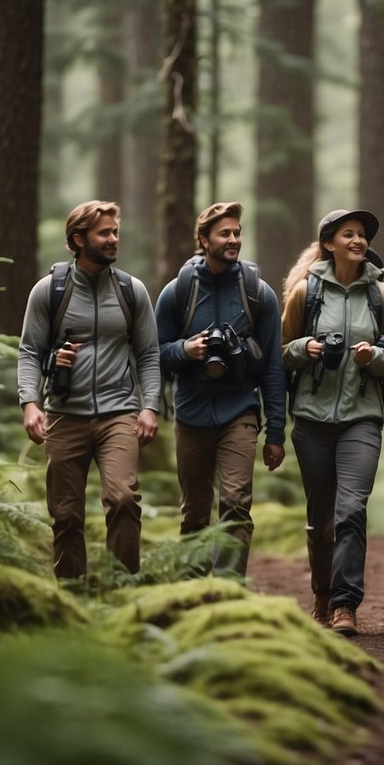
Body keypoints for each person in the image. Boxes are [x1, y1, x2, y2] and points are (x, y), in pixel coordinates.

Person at [280, 209, 384, 636]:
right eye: (348, 234)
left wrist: (372, 357)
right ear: (329, 243)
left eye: (362, 235)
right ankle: (321, 594)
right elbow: (280, 353)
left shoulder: (383, 296)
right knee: (321, 518)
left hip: (362, 417)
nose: (357, 240)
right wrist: (307, 347)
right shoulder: (305, 293)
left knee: (351, 509)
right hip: (311, 418)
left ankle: (344, 605)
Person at [17, 200, 161, 580]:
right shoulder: (49, 291)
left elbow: (148, 353)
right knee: (65, 514)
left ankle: (122, 589)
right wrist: (30, 403)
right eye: (105, 234)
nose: (114, 239)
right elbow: (30, 350)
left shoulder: (133, 291)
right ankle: (72, 595)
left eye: (115, 232)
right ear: (78, 239)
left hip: (119, 413)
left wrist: (150, 408)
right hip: (65, 415)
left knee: (124, 499)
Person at [154, 202, 286, 577]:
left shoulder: (258, 294)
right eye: (224, 233)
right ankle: (192, 590)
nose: (233, 240)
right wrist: (186, 349)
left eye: (237, 232)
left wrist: (275, 431)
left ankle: (227, 589)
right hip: (191, 413)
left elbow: (273, 368)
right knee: (194, 510)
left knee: (236, 501)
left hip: (239, 411)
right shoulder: (176, 293)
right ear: (203, 239)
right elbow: (153, 355)